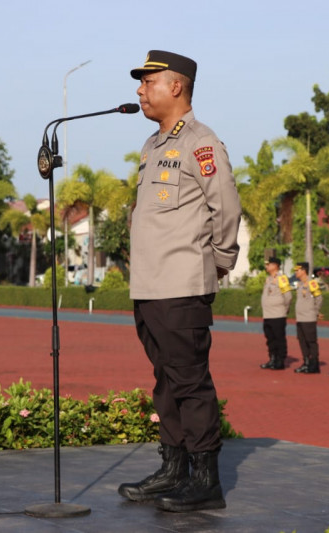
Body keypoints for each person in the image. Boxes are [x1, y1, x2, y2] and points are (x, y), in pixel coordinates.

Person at [118, 50, 241, 513]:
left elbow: (225, 209)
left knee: (190, 382)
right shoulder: (153, 146)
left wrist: (219, 262)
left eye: (148, 81)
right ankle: (173, 468)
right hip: (149, 286)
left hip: (182, 286)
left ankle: (205, 479)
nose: (139, 90)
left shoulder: (201, 143)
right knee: (165, 381)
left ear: (176, 87)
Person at [259, 257, 292, 370]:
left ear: (275, 265)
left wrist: (284, 309)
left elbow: (288, 296)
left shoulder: (281, 279)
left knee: (279, 339)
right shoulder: (268, 279)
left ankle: (280, 361)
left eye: (268, 264)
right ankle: (272, 359)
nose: (266, 266)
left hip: (278, 314)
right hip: (267, 314)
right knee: (270, 339)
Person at [293, 262, 323, 374]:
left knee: (311, 341)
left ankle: (314, 364)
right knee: (302, 341)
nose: (296, 272)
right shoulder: (300, 284)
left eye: (298, 270)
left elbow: (319, 298)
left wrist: (315, 312)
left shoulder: (312, 283)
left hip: (309, 317)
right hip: (300, 318)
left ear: (303, 271)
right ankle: (306, 362)